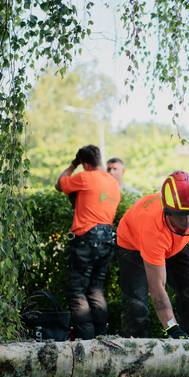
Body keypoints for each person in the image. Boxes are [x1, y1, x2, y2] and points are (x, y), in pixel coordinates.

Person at [115, 170, 189, 338]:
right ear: (168, 212)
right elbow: (158, 287)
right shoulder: (153, 228)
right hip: (133, 246)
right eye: (182, 216)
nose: (188, 223)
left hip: (175, 244)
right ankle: (137, 353)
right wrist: (171, 327)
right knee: (137, 307)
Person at [55, 144, 121, 339]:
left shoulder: (84, 177)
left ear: (83, 163)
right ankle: (102, 337)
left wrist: (72, 165)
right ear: (99, 159)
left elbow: (59, 184)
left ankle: (87, 341)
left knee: (77, 291)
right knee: (96, 290)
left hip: (86, 238)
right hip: (107, 239)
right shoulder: (112, 182)